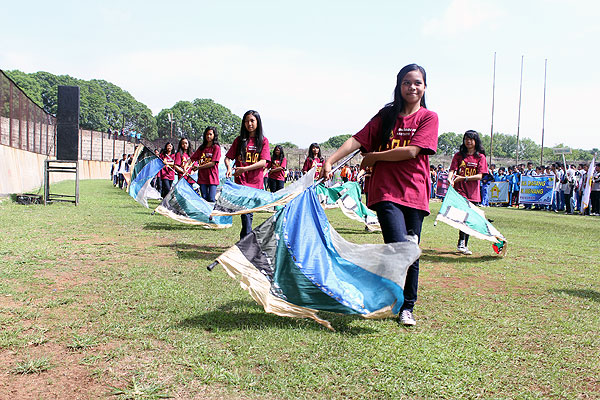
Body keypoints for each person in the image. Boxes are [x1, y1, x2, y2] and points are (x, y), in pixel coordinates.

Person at [320, 64, 438, 326]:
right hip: (385, 191)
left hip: (415, 192)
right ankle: (390, 300)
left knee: (410, 250)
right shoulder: (386, 116)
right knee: (400, 246)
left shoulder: (428, 118)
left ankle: (407, 306)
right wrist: (331, 160)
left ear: (424, 87)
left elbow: (411, 151)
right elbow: (358, 139)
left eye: (417, 83)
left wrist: (374, 157)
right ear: (399, 86)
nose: (412, 87)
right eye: (407, 82)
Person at [225, 110, 271, 239]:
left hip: (255, 182)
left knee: (248, 213)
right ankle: (246, 240)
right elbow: (228, 158)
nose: (249, 124)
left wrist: (245, 169)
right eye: (246, 121)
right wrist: (229, 167)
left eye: (252, 121)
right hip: (241, 182)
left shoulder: (263, 141)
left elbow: (263, 162)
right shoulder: (239, 140)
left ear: (257, 122)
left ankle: (245, 239)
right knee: (246, 213)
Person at [448, 130, 488, 255]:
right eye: (466, 139)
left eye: (471, 139)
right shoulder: (458, 155)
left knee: (469, 219)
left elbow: (480, 176)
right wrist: (450, 178)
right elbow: (453, 169)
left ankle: (463, 243)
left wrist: (464, 178)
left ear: (476, 141)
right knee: (463, 216)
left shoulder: (480, 157)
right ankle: (461, 243)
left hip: (473, 192)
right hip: (460, 191)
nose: (468, 141)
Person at [189, 127, 221, 202]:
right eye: (207, 134)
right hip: (202, 177)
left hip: (212, 177)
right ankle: (205, 213)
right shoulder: (202, 148)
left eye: (210, 134)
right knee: (204, 198)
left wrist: (198, 167)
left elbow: (213, 163)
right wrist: (186, 166)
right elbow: (192, 158)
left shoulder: (216, 147)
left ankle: (213, 213)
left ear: (214, 135)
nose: (208, 136)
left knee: (211, 198)